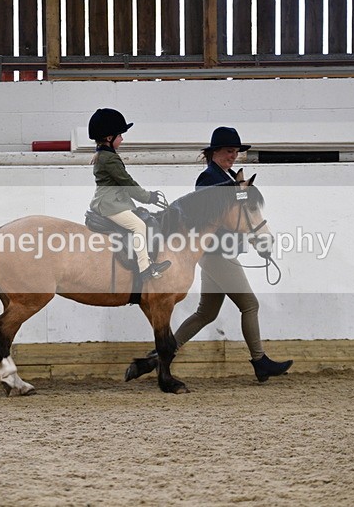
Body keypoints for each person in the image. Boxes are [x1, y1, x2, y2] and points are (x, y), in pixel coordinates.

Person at [124, 126, 293, 382]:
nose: (233, 156)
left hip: (216, 255)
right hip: (217, 255)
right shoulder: (208, 179)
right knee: (250, 305)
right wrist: (239, 187)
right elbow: (221, 207)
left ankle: (155, 358)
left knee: (206, 314)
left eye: (236, 152)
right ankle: (260, 361)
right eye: (228, 151)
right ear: (214, 152)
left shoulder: (226, 177)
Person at [88, 108, 171, 281]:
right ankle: (144, 268)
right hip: (110, 204)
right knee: (139, 226)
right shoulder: (110, 158)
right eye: (120, 136)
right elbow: (127, 182)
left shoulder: (103, 154)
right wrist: (149, 197)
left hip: (109, 200)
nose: (122, 139)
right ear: (109, 138)